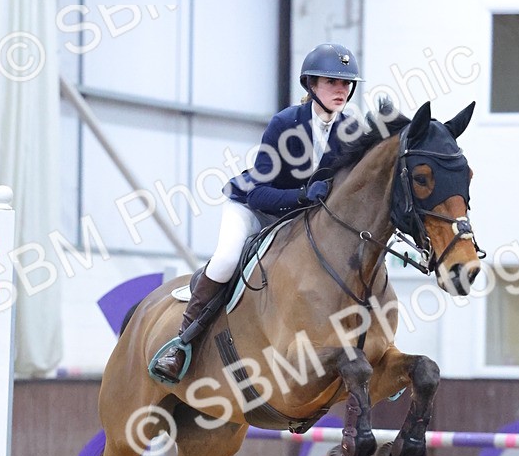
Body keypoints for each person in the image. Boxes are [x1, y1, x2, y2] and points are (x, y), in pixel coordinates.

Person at [150, 42, 361, 382]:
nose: (340, 89)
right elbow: (260, 192)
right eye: (330, 82)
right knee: (225, 260)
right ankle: (182, 344)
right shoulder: (285, 123)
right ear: (311, 85)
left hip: (297, 219)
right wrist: (304, 194)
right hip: (252, 207)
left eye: (346, 83)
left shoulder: (351, 130)